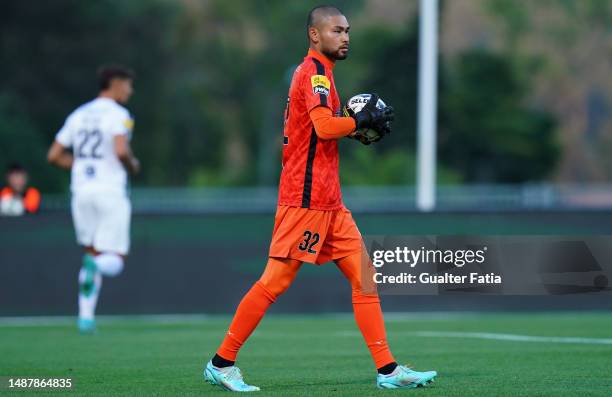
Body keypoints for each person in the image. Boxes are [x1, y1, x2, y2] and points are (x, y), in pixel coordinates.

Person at [203, 5, 437, 391]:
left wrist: (352, 128)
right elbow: (326, 127)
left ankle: (388, 370)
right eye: (336, 30)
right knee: (274, 282)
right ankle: (221, 362)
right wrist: (358, 122)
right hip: (305, 198)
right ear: (315, 35)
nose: (344, 37)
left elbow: (324, 130)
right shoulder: (314, 74)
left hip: (330, 201)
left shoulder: (323, 74)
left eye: (347, 31)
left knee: (365, 279)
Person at [47, 64, 140, 334]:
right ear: (116, 83)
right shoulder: (120, 114)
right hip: (109, 190)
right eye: (128, 85)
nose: (130, 91)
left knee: (91, 252)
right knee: (115, 259)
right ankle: (95, 268)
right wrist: (133, 165)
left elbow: (53, 155)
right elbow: (121, 150)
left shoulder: (79, 114)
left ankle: (85, 318)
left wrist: (80, 167)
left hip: (81, 191)